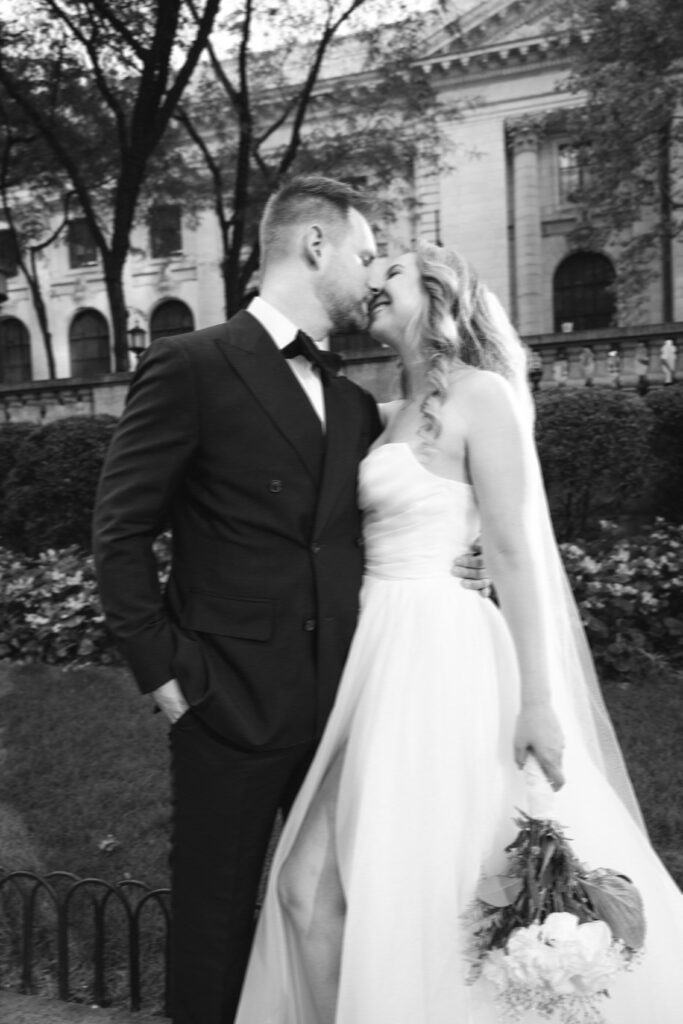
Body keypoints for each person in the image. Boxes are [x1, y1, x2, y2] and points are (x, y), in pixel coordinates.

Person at [234, 242, 683, 1023]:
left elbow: (513, 551)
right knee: (306, 890)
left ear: (439, 292)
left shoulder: (485, 397)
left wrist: (539, 701)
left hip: (439, 657)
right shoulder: (381, 410)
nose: (372, 288)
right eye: (369, 280)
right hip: (371, 655)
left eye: (390, 276)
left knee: (426, 884)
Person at [92, 178, 486, 1024]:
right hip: (226, 700)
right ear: (315, 245)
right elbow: (119, 533)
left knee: (330, 908)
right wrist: (166, 678)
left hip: (346, 706)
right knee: (216, 917)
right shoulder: (192, 364)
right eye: (365, 249)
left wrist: (464, 559)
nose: (371, 270)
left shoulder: (350, 401)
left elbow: (422, 470)